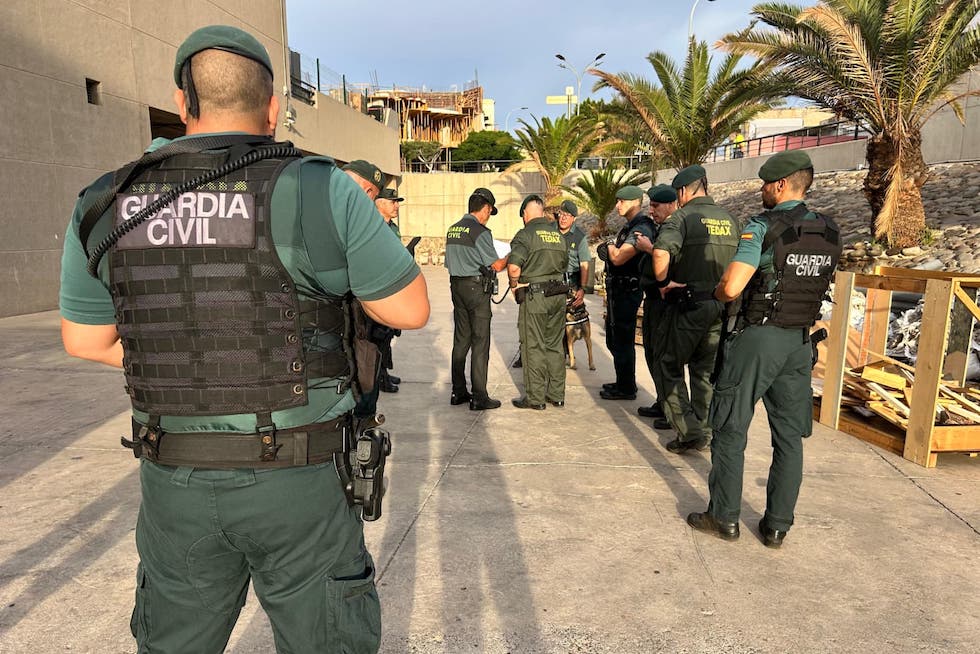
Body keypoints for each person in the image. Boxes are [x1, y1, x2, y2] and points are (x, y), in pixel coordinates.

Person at [58, 25, 429, 654]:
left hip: (172, 478)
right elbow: (409, 308)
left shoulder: (107, 200)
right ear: (274, 109)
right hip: (299, 478)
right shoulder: (319, 185)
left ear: (184, 104)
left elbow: (86, 341)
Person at [687, 151, 841, 547]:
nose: (761, 190)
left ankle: (723, 517)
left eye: (764, 184)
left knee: (730, 427)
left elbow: (733, 286)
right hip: (799, 341)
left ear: (779, 184)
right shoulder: (828, 231)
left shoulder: (763, 227)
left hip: (758, 338)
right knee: (789, 437)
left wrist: (720, 290)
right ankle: (776, 526)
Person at [653, 165, 738, 454]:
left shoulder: (682, 217)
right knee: (705, 370)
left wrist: (663, 282)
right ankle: (705, 428)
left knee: (667, 365)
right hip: (721, 306)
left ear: (681, 192)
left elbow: (661, 251)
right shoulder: (729, 219)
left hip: (688, 305)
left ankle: (689, 431)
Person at [445, 187, 507, 410]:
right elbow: (496, 265)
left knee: (461, 340)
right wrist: (512, 254)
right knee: (480, 342)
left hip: (456, 287)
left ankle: (458, 391)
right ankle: (479, 396)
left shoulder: (453, 229)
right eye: (490, 211)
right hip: (476, 289)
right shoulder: (480, 231)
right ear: (486, 208)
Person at [508, 195, 569, 409]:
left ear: (525, 214)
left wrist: (514, 285)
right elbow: (564, 265)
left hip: (536, 297)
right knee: (554, 344)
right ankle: (556, 395)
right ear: (543, 213)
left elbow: (514, 267)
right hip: (558, 295)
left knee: (533, 345)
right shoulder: (557, 236)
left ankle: (535, 399)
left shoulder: (525, 235)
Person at [597, 185, 655, 401]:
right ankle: (623, 381)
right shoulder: (629, 227)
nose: (617, 205)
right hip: (618, 289)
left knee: (622, 338)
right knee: (615, 338)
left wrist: (610, 246)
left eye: (621, 201)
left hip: (628, 290)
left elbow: (620, 257)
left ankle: (627, 387)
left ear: (634, 202)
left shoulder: (642, 227)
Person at [633, 184, 678, 430]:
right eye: (650, 205)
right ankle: (662, 402)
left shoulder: (676, 228)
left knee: (662, 355)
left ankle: (673, 410)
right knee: (651, 352)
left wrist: (649, 249)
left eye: (656, 205)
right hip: (652, 298)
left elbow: (670, 259)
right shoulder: (662, 228)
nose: (652, 210)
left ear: (671, 205)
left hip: (665, 300)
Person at [374, 187, 407, 393]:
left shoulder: (392, 227)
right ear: (379, 203)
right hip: (377, 289)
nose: (396, 206)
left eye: (397, 202)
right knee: (377, 336)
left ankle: (384, 371)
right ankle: (378, 377)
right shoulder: (372, 226)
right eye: (392, 201)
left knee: (388, 334)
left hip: (392, 288)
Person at [557, 199, 591, 304]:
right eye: (561, 214)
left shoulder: (579, 237)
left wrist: (582, 288)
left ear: (574, 218)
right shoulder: (549, 230)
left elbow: (584, 264)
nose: (563, 218)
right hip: (552, 282)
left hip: (571, 283)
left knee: (573, 318)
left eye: (567, 215)